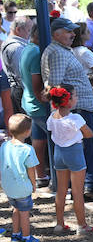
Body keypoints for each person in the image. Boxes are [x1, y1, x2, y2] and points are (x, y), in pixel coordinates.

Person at [41, 17, 93, 202]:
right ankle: (90, 186)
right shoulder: (58, 53)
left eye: (73, 31)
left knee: (87, 146)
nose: (73, 34)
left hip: (77, 106)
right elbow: (56, 84)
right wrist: (67, 108)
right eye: (69, 31)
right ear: (57, 34)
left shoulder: (60, 50)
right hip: (76, 108)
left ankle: (84, 186)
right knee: (92, 145)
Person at [46, 84, 93, 235]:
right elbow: (89, 134)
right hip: (75, 153)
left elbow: (50, 130)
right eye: (74, 95)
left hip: (59, 154)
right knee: (77, 192)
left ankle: (60, 224)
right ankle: (82, 225)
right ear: (68, 100)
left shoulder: (52, 117)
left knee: (61, 191)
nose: (77, 97)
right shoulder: (76, 118)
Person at [0, 114, 40, 242]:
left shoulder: (4, 146)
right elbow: (31, 170)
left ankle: (15, 235)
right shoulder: (28, 149)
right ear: (28, 131)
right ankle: (26, 237)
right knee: (24, 213)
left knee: (15, 209)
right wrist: (34, 185)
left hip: (8, 186)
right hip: (22, 187)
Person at [20, 25, 50, 186]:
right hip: (38, 104)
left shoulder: (27, 49)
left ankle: (41, 175)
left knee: (39, 139)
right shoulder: (36, 52)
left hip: (30, 102)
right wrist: (43, 99)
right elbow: (36, 81)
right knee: (51, 140)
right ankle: (53, 176)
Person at [1, 15, 33, 113]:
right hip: (21, 91)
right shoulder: (16, 48)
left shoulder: (13, 44)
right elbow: (20, 74)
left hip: (18, 90)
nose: (31, 33)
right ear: (18, 29)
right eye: (29, 30)